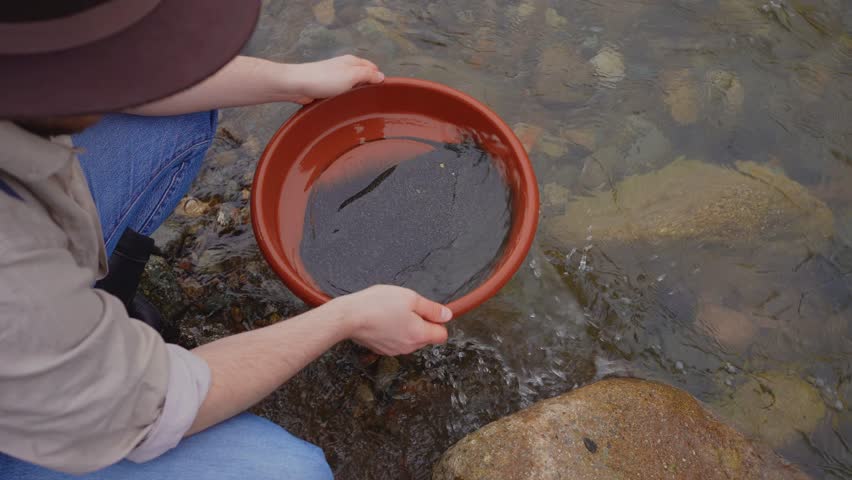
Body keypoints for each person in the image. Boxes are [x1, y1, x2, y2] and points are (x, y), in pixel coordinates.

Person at [0, 2, 454, 479]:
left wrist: (290, 80)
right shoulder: (14, 279)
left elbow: (119, 74)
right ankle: (76, 349)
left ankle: (77, 331)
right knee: (289, 472)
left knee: (175, 115)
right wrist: (345, 317)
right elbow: (154, 404)